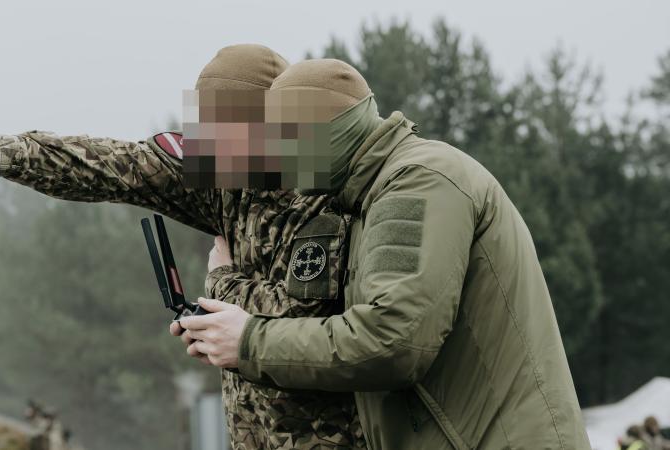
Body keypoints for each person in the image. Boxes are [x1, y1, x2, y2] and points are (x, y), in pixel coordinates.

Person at [0, 45, 365, 449]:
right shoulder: (228, 179)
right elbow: (112, 165)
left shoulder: (324, 197)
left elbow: (305, 324)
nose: (212, 148)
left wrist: (222, 286)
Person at [175, 58, 592, 449]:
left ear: (327, 132)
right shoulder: (368, 201)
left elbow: (394, 340)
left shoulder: (417, 182)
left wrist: (250, 341)